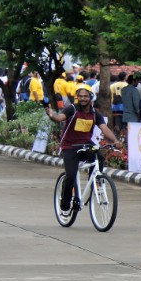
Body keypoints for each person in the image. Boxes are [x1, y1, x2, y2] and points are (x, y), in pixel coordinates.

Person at [46, 84, 123, 214]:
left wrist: (115, 141)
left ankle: (95, 182)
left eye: (85, 96)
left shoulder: (94, 113)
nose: (82, 99)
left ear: (91, 97)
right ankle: (64, 203)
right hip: (69, 146)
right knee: (70, 175)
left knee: (99, 156)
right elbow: (60, 118)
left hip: (85, 145)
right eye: (80, 96)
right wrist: (52, 115)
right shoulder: (72, 109)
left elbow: (104, 128)